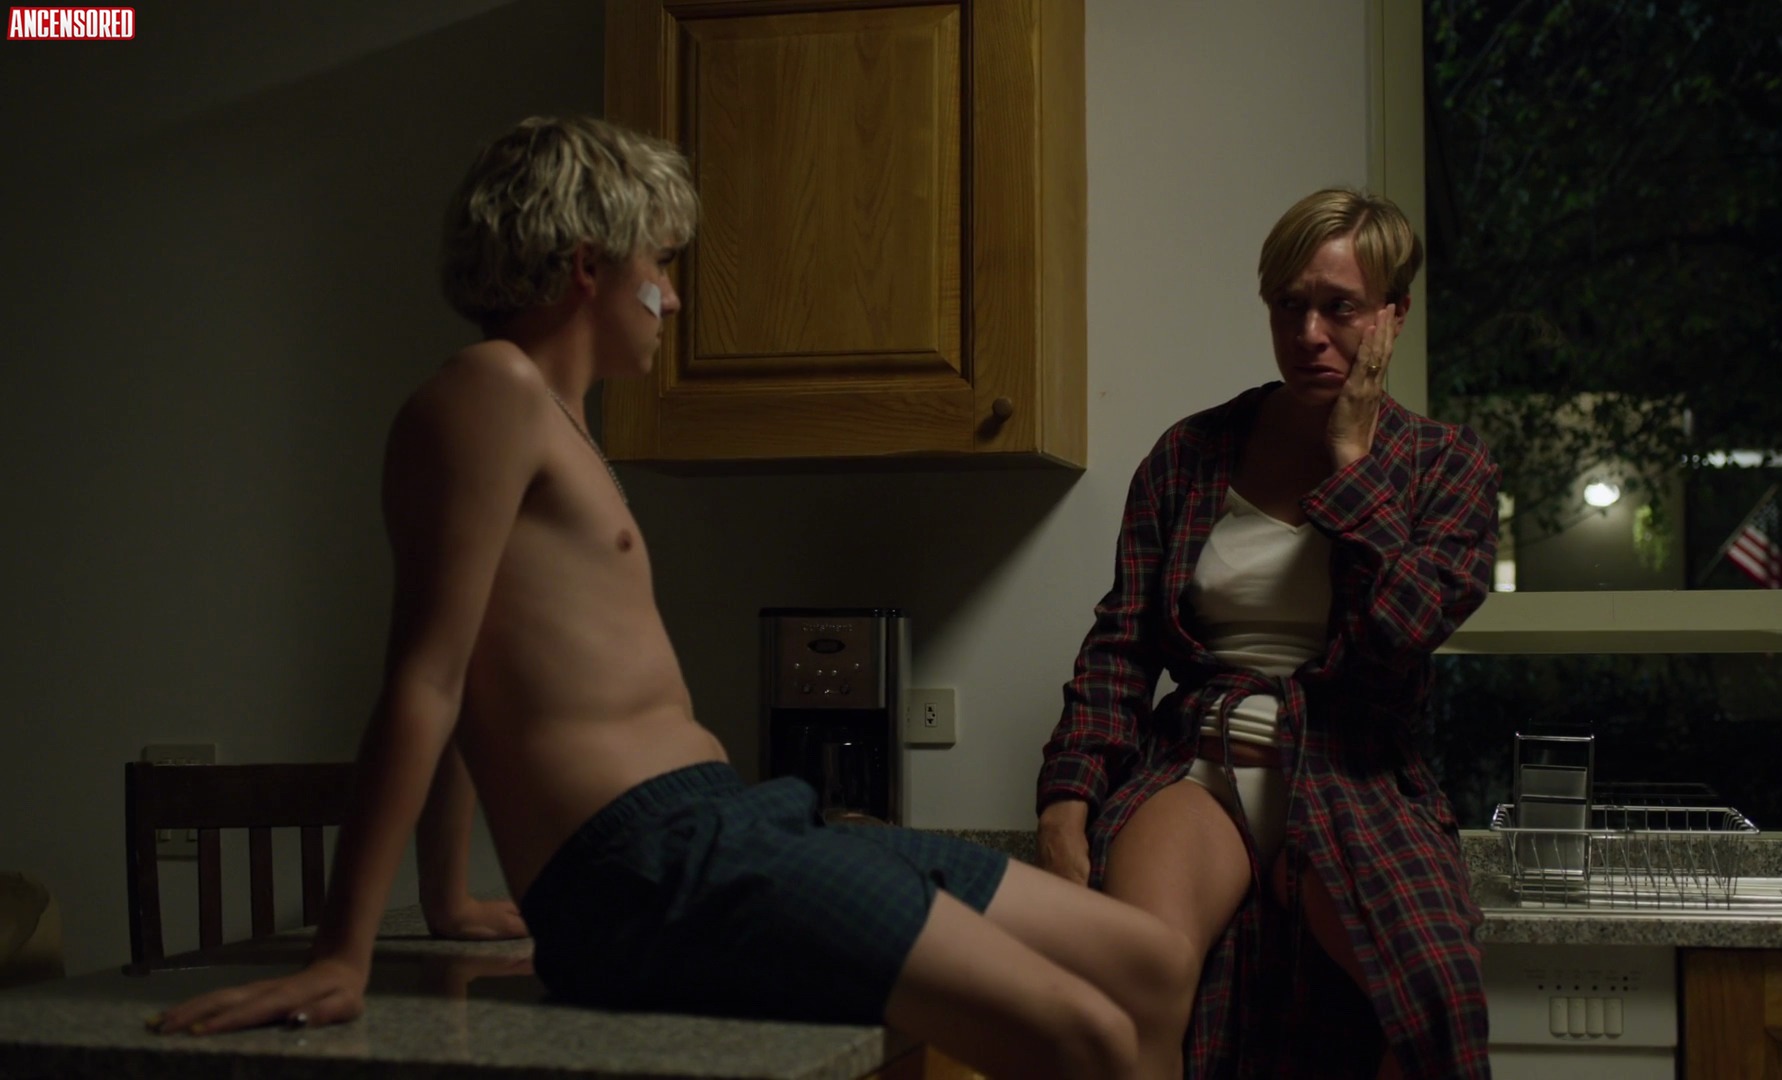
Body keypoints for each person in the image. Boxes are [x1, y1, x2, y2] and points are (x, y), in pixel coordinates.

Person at [148, 115, 1198, 1080]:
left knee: (1146, 964)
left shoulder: (556, 422)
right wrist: (342, 954)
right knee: (1087, 1034)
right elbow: (427, 676)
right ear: (587, 266)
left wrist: (449, 896)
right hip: (648, 865)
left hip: (731, 824)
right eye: (660, 264)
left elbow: (479, 676)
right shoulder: (489, 390)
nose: (674, 297)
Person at [1036, 188, 1499, 1079]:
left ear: (1394, 316)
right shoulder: (1191, 453)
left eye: (1340, 308)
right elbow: (1122, 644)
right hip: (1204, 764)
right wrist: (1066, 799)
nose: (1310, 334)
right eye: (1290, 306)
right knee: (1133, 987)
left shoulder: (1446, 465)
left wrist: (1352, 462)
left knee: (1431, 999)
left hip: (1351, 770)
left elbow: (1402, 629)